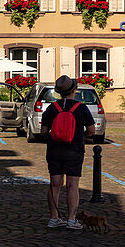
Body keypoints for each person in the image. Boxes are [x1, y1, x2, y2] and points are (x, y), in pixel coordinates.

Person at [41, 75, 96, 229]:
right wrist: (81, 135)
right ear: (74, 90)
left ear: (58, 92)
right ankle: (71, 219)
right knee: (72, 185)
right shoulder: (81, 108)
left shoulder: (52, 108)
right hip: (75, 150)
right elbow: (92, 130)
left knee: (54, 185)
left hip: (54, 150)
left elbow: (44, 131)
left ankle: (54, 218)